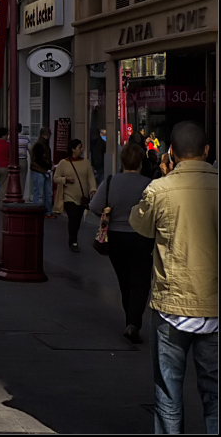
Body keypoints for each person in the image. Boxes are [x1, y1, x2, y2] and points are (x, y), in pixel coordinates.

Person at [129, 122, 217, 435]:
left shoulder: (160, 190)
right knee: (215, 393)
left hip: (172, 305)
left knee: (168, 391)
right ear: (207, 151)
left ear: (171, 153)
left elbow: (139, 224)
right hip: (215, 306)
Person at [88, 143, 153, 343]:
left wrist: (111, 213)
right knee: (141, 281)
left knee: (124, 281)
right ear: (141, 162)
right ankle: (134, 323)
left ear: (122, 161)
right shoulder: (149, 184)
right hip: (142, 237)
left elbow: (94, 206)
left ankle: (129, 321)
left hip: (116, 236)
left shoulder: (110, 182)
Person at [52, 138, 97, 252]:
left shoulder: (85, 162)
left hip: (82, 197)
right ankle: (73, 241)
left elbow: (90, 177)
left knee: (77, 220)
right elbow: (56, 178)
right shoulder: (63, 163)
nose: (82, 150)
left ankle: (74, 238)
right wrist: (65, 179)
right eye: (79, 147)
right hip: (69, 196)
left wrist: (93, 189)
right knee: (73, 218)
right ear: (73, 149)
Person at [30, 127, 54, 215]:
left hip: (40, 170)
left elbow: (38, 159)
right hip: (41, 170)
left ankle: (39, 211)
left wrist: (49, 165)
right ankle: (46, 211)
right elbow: (39, 159)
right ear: (47, 134)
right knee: (46, 193)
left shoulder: (39, 144)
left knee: (39, 193)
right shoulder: (41, 144)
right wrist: (49, 166)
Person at [17, 124, 32, 199]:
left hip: (13, 160)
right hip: (23, 160)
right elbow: (30, 151)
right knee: (22, 179)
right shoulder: (26, 139)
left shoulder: (9, 138)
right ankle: (20, 196)